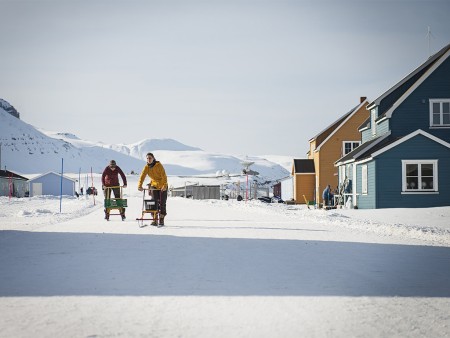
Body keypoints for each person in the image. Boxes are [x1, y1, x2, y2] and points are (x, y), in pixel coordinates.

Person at [138, 153, 168, 226]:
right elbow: (142, 176)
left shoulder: (159, 166)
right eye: (147, 158)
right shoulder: (146, 167)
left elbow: (164, 176)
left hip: (162, 185)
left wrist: (165, 185)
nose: (149, 160)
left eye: (150, 158)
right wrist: (140, 185)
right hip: (154, 185)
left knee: (162, 203)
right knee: (153, 202)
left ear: (153, 158)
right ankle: (154, 219)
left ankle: (161, 218)